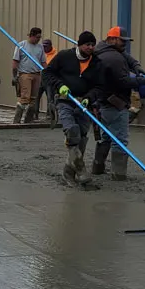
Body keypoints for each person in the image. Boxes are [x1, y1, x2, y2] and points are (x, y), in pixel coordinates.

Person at [92, 26, 145, 180]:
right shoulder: (115, 58)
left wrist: (137, 67)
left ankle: (98, 167)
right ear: (112, 39)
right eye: (122, 41)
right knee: (120, 140)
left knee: (105, 136)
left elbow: (127, 57)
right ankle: (118, 174)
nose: (124, 44)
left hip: (101, 103)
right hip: (115, 103)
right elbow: (124, 81)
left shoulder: (101, 50)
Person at [42, 31, 101, 186]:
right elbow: (47, 73)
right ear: (79, 44)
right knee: (72, 131)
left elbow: (99, 87)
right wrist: (60, 85)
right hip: (65, 101)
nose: (90, 47)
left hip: (84, 105)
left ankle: (68, 173)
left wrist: (89, 97)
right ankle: (81, 171)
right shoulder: (64, 56)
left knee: (81, 139)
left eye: (92, 45)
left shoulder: (96, 62)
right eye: (87, 44)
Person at [12, 27, 46, 123]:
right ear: (31, 35)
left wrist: (47, 72)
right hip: (25, 74)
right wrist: (14, 76)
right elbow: (15, 61)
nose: (38, 39)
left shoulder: (40, 47)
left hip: (37, 74)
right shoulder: (21, 45)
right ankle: (16, 120)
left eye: (40, 37)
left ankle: (28, 120)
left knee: (34, 99)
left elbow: (43, 62)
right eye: (37, 37)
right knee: (25, 98)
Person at [36, 38, 59, 122]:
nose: (44, 48)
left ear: (50, 46)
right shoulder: (40, 53)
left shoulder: (55, 55)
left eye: (46, 46)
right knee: (36, 97)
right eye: (43, 46)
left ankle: (50, 115)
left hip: (49, 79)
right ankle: (35, 115)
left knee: (50, 98)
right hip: (39, 77)